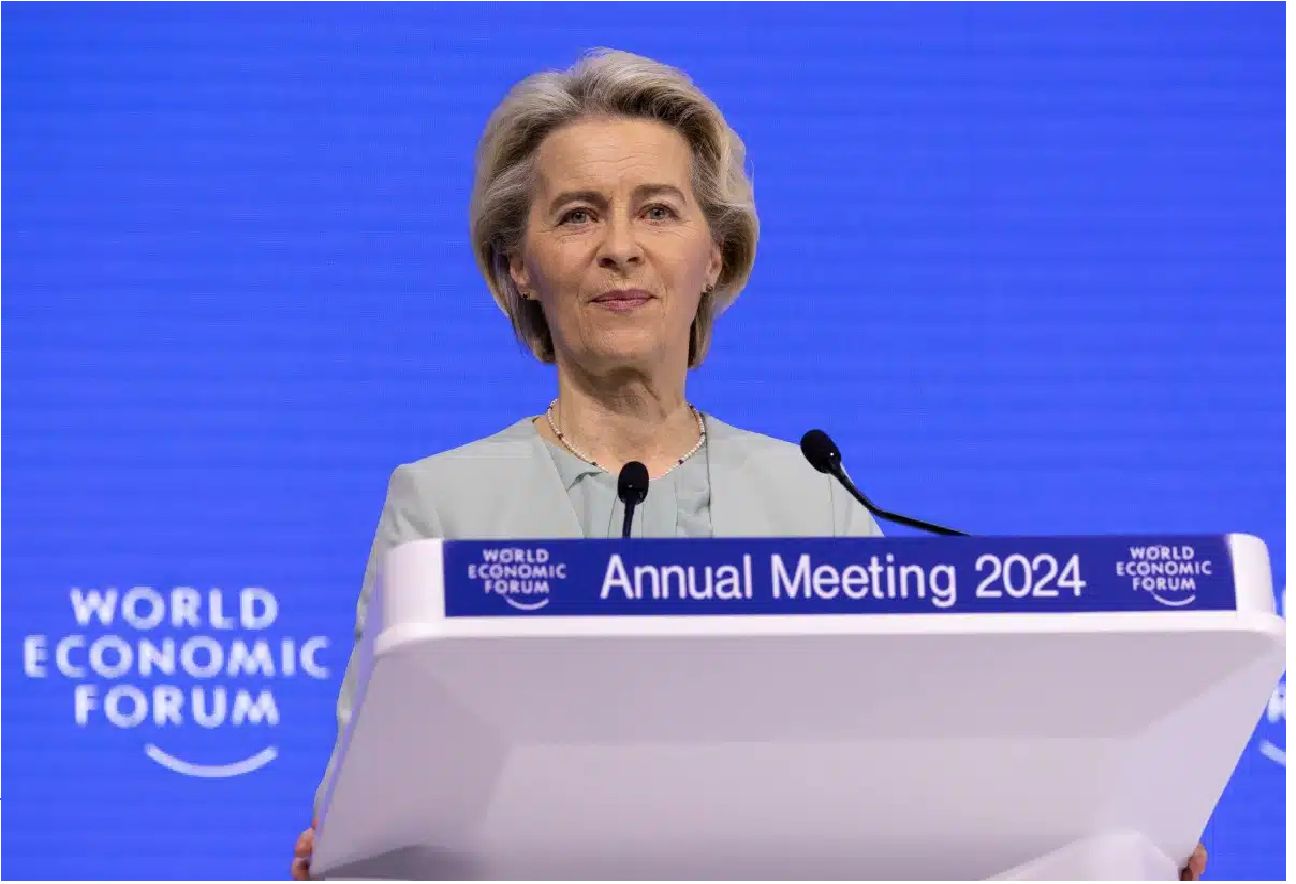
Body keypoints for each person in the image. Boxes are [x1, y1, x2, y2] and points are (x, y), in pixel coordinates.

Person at [290, 48, 1207, 882]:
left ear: (714, 256)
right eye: (577, 215)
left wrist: (1100, 835)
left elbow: (905, 774)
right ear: (519, 265)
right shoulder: (442, 504)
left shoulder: (812, 499)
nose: (620, 247)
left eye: (658, 210)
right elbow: (378, 800)